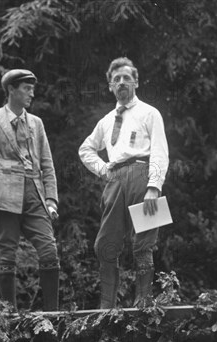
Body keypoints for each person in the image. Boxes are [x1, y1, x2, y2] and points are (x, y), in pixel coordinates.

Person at [79, 57, 169, 308]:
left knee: (145, 243)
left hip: (143, 176)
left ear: (136, 82)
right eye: (116, 79)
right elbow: (85, 149)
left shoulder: (150, 113)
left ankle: (144, 303)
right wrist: (104, 171)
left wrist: (154, 187)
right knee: (104, 244)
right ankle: (107, 306)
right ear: (110, 86)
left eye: (126, 78)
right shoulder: (106, 121)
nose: (121, 83)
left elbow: (161, 151)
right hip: (116, 181)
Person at [0, 69, 60, 310]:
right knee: (7, 251)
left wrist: (51, 199)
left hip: (35, 192)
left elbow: (47, 164)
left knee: (49, 250)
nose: (32, 93)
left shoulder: (36, 123)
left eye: (33, 88)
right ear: (11, 89)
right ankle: (9, 315)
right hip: (5, 193)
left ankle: (53, 314)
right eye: (26, 88)